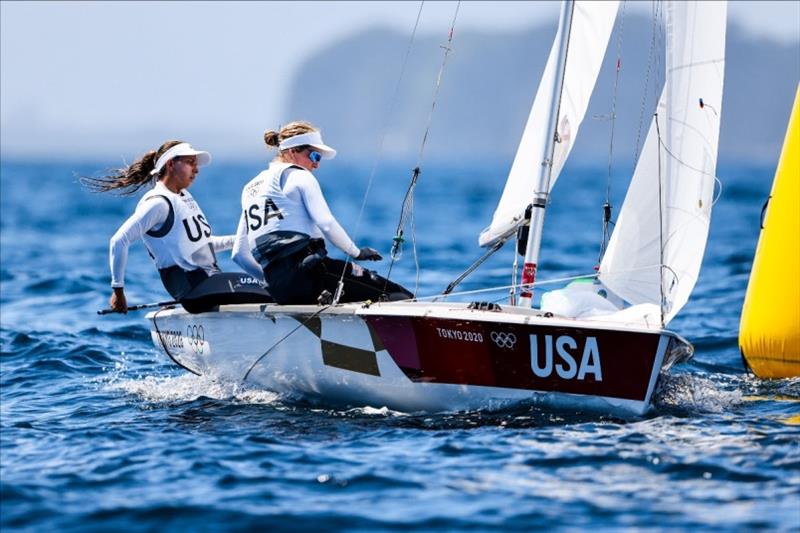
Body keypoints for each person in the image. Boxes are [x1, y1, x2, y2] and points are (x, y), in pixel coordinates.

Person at [232, 121, 411, 305]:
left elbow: (239, 254)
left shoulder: (249, 189)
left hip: (280, 290)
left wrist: (275, 283)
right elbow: (326, 223)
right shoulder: (299, 176)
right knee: (399, 296)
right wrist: (357, 253)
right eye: (314, 155)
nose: (316, 164)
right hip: (312, 276)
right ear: (292, 151)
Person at [83, 140, 271, 313]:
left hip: (208, 283)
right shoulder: (157, 203)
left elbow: (200, 246)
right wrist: (118, 291)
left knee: (272, 283)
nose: (196, 170)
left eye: (196, 164)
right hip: (193, 288)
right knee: (274, 285)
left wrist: (240, 239)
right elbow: (119, 240)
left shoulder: (183, 197)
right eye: (190, 162)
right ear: (171, 164)